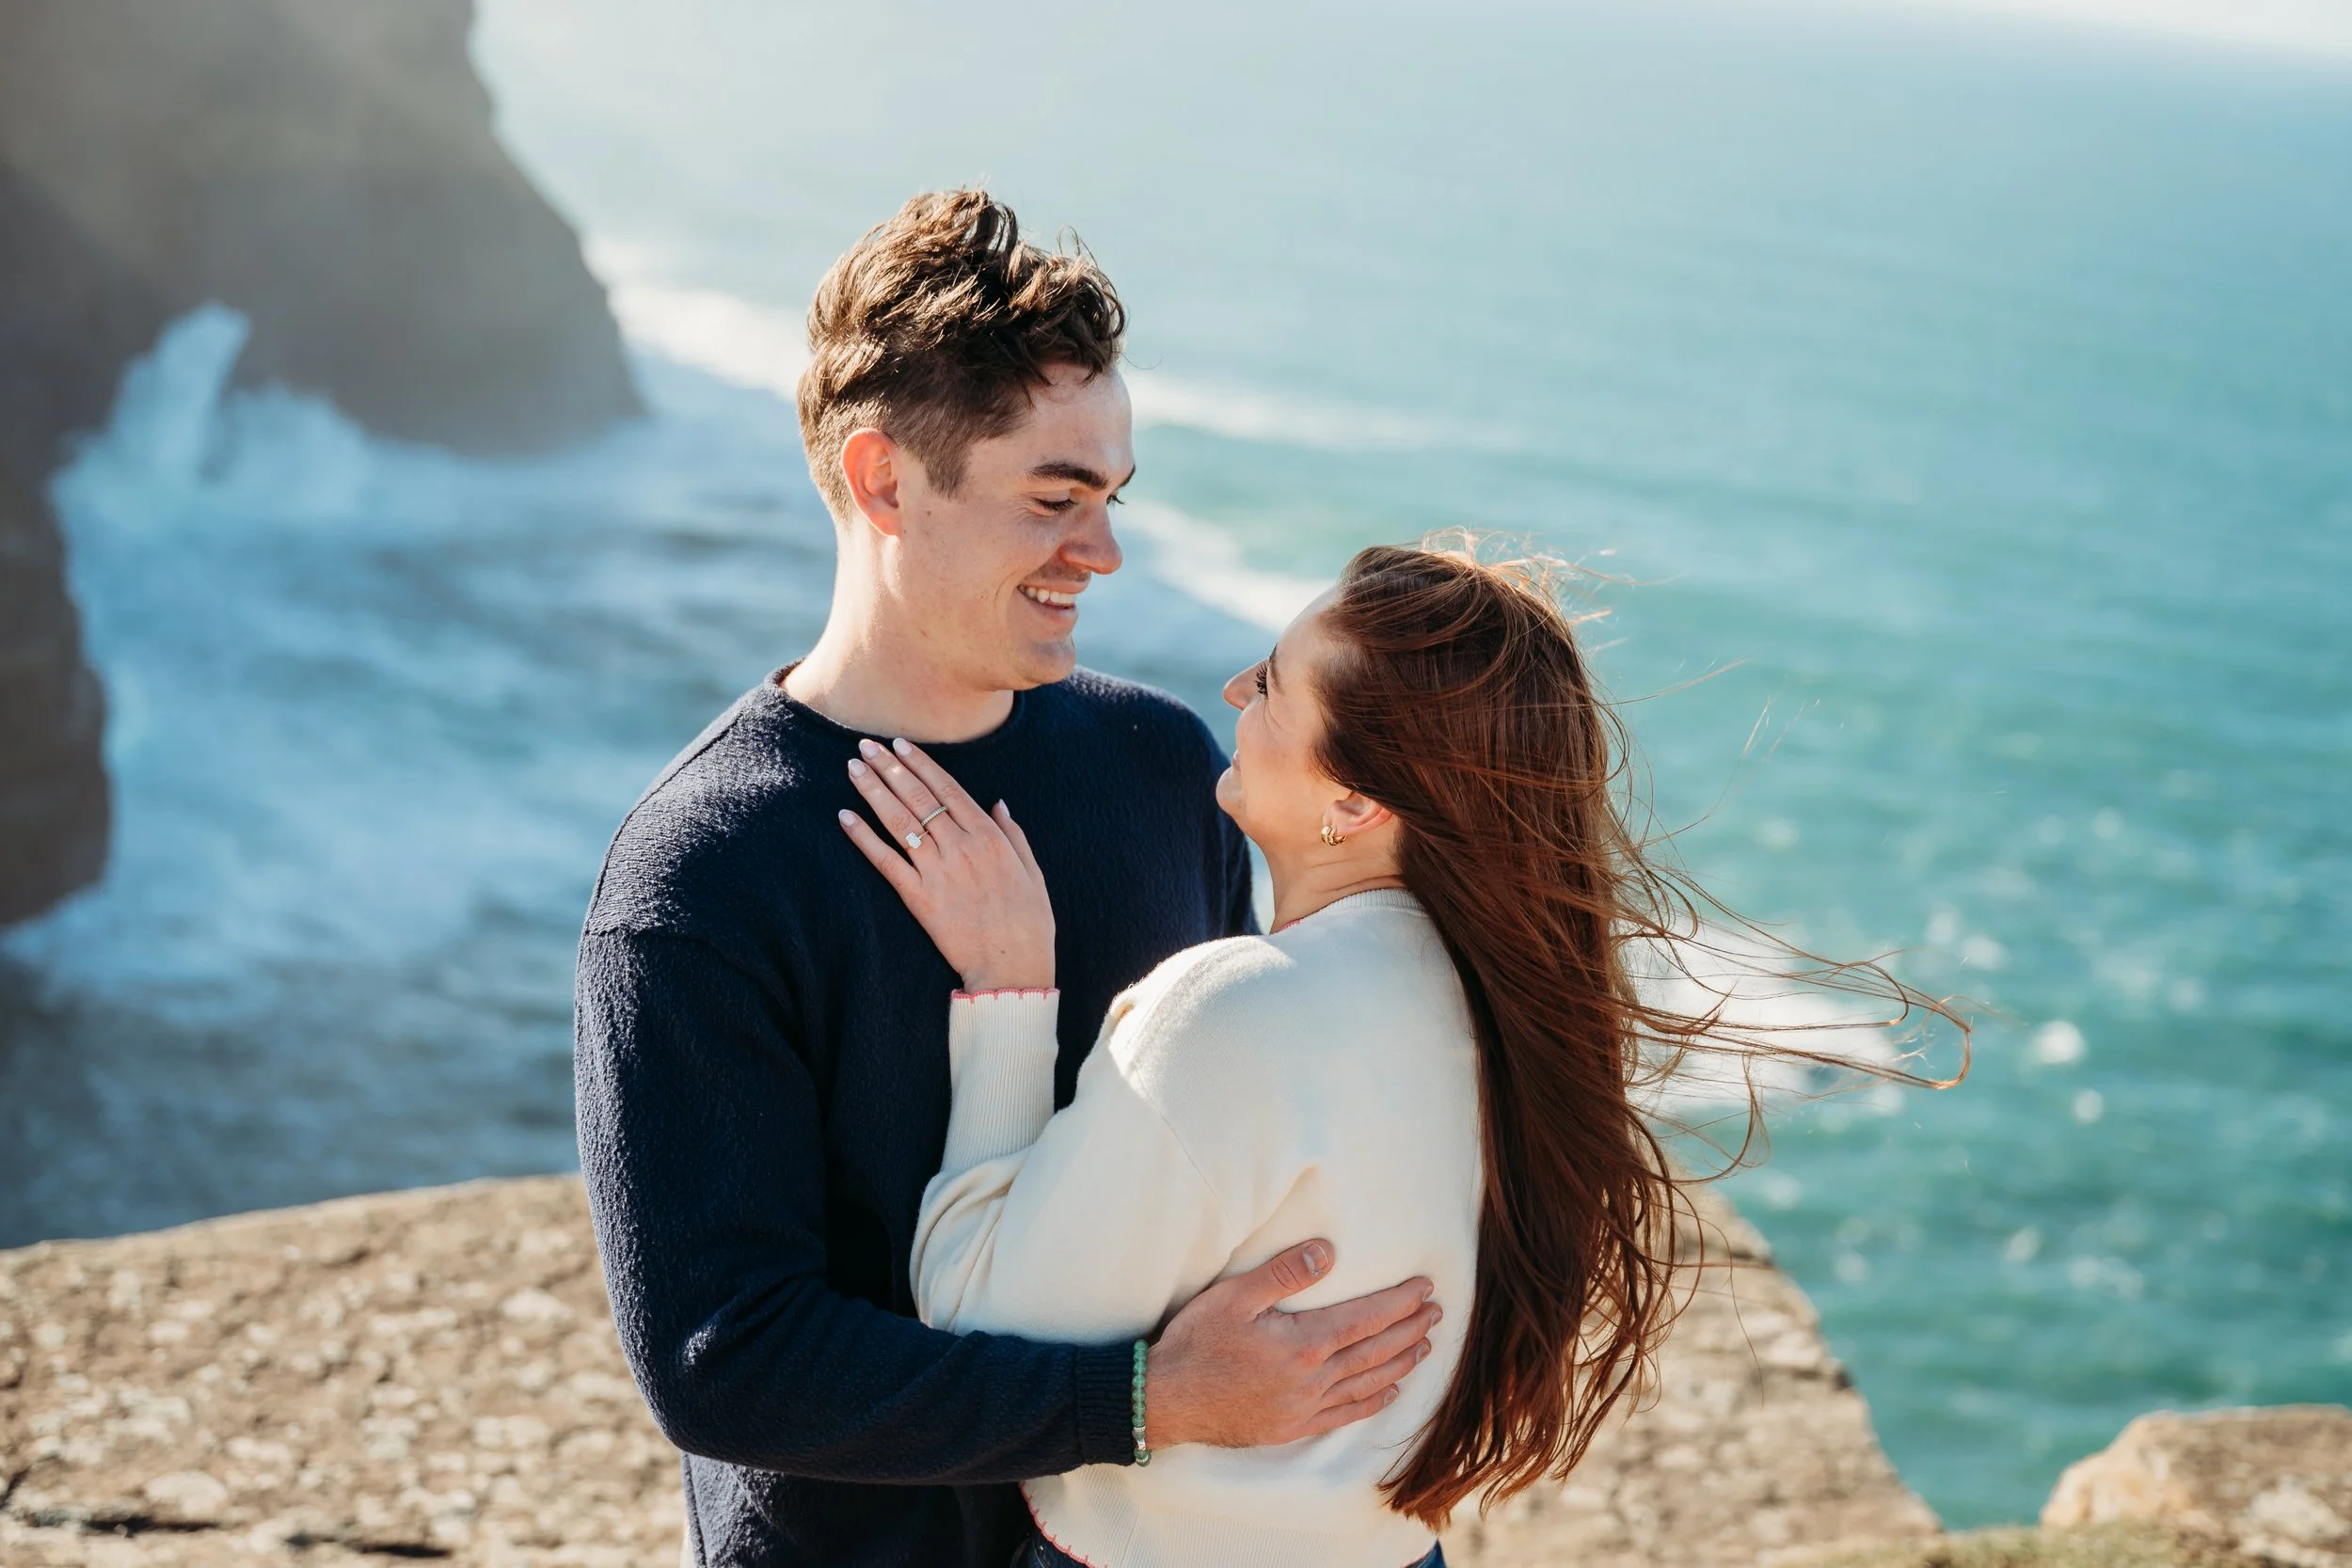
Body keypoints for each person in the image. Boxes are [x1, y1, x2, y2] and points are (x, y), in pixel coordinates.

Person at [573, 190, 1443, 1568]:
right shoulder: (705, 871)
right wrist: (1147, 1400)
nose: (1100, 551)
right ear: (881, 479)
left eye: (1109, 497)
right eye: (1054, 498)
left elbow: (1254, 1141)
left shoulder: (1169, 770)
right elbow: (722, 1356)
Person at [836, 544, 1964, 1567]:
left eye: (1273, 684)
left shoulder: (1231, 1011)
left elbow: (980, 1327)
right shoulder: (1522, 1014)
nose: (1235, 692)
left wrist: (1007, 990)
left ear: (1357, 799)